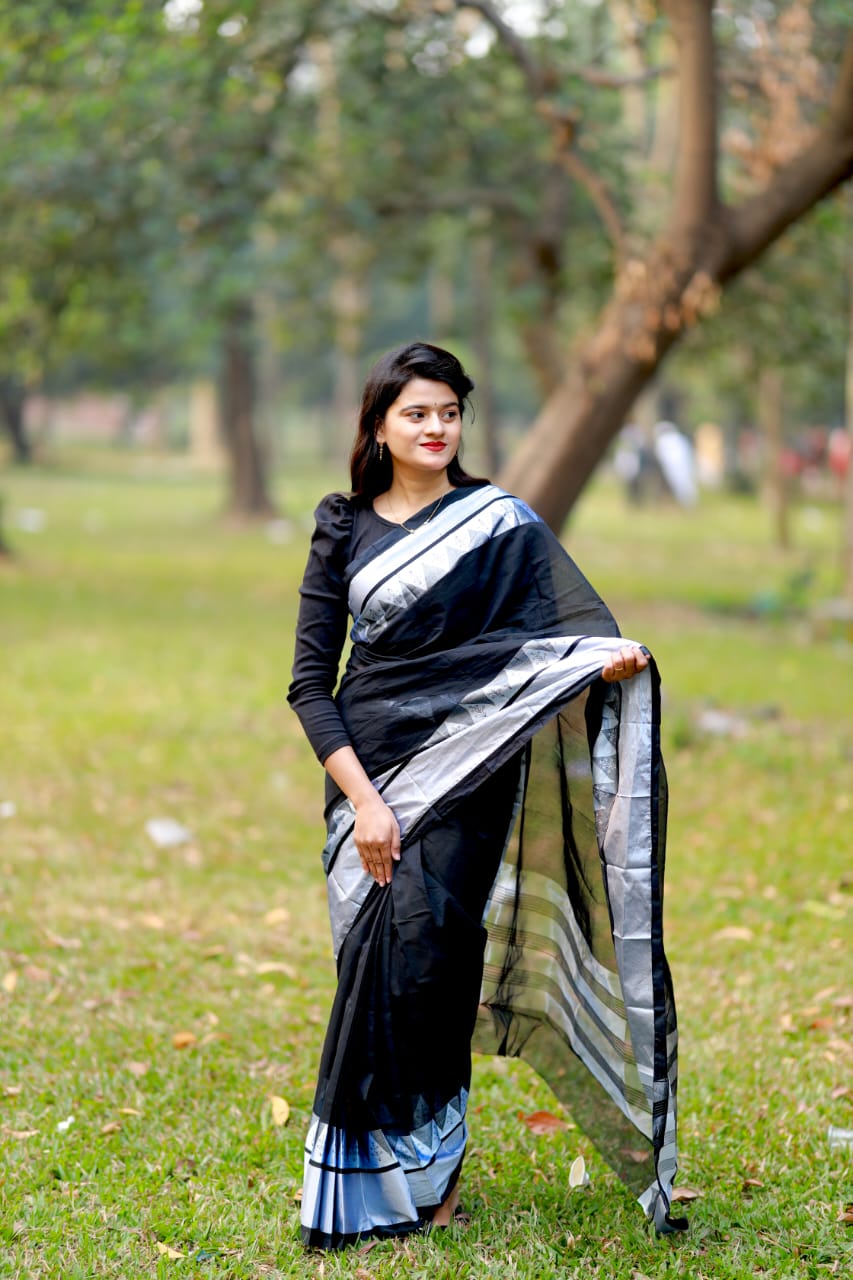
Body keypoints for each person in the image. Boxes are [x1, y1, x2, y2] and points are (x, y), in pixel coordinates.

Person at [288, 342, 684, 1250]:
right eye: (416, 413)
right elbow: (309, 685)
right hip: (367, 778)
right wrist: (368, 803)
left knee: (434, 961)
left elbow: (555, 635)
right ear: (378, 424)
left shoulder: (497, 523)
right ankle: (369, 1180)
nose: (435, 428)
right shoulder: (343, 527)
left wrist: (603, 663)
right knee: (376, 970)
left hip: (468, 771)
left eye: (448, 412)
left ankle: (434, 1180)